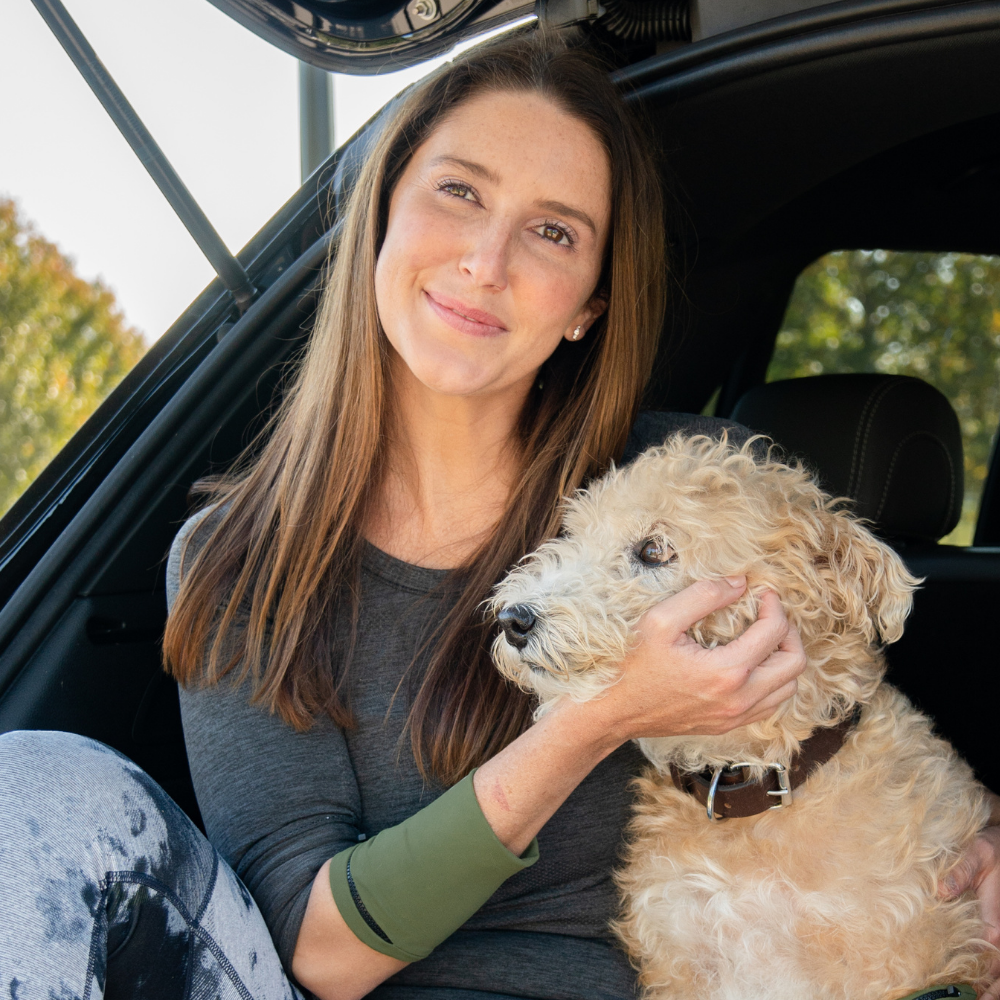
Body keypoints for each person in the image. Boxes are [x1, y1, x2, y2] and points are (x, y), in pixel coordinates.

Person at [1, 29, 997, 1000]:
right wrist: (603, 716)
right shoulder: (241, 562)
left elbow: (846, 735)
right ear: (381, 210)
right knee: (34, 787)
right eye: (459, 190)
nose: (485, 259)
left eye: (553, 230)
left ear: (587, 304)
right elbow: (318, 954)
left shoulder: (674, 486)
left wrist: (980, 852)